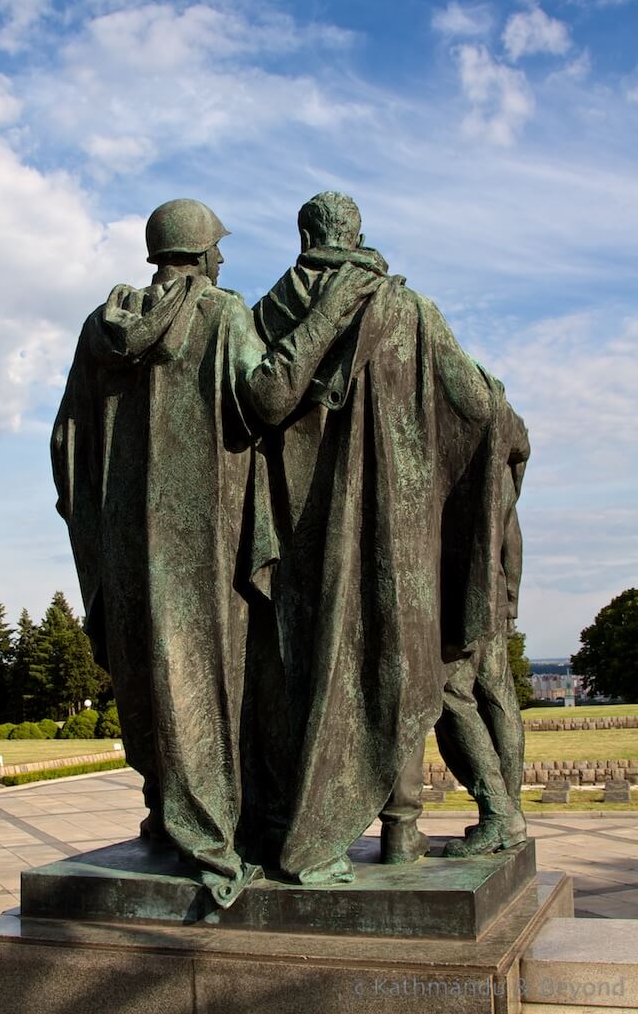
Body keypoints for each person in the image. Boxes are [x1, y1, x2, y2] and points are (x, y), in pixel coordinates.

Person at [51, 198, 376, 906]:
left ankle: (177, 823)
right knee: (213, 682)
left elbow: (65, 442)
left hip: (127, 542)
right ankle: (213, 845)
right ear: (198, 254)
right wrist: (330, 314)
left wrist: (98, 528)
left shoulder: (98, 330)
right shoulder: (219, 315)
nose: (223, 261)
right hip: (206, 538)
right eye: (217, 250)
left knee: (153, 678)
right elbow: (269, 398)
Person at [253, 191, 523, 884]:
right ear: (359, 233)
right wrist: (476, 489)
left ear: (307, 235)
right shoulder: (411, 310)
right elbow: (480, 406)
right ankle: (403, 834)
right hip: (406, 535)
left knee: (316, 677)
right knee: (408, 671)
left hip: (305, 537)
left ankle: (306, 822)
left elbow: (256, 406)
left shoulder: (272, 310)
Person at [435, 429, 530, 856]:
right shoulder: (498, 456)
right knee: (497, 695)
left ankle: (499, 812)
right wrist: (509, 598)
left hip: (461, 591)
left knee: (450, 691)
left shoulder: (457, 438)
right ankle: (512, 813)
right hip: (490, 590)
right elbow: (511, 530)